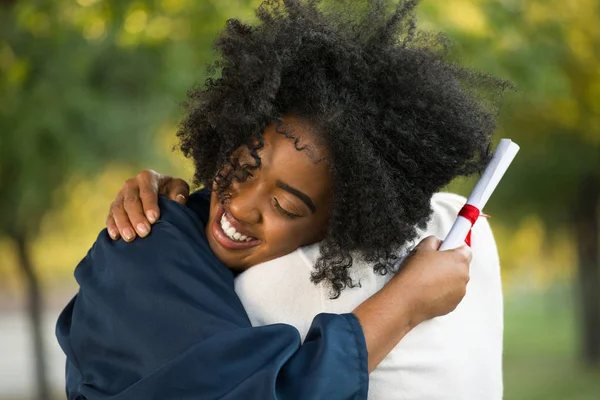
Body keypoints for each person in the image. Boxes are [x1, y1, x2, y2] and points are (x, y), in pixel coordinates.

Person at [57, 0, 508, 398]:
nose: (240, 204)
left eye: (286, 206)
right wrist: (406, 305)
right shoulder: (147, 250)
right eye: (242, 165)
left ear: (339, 226)